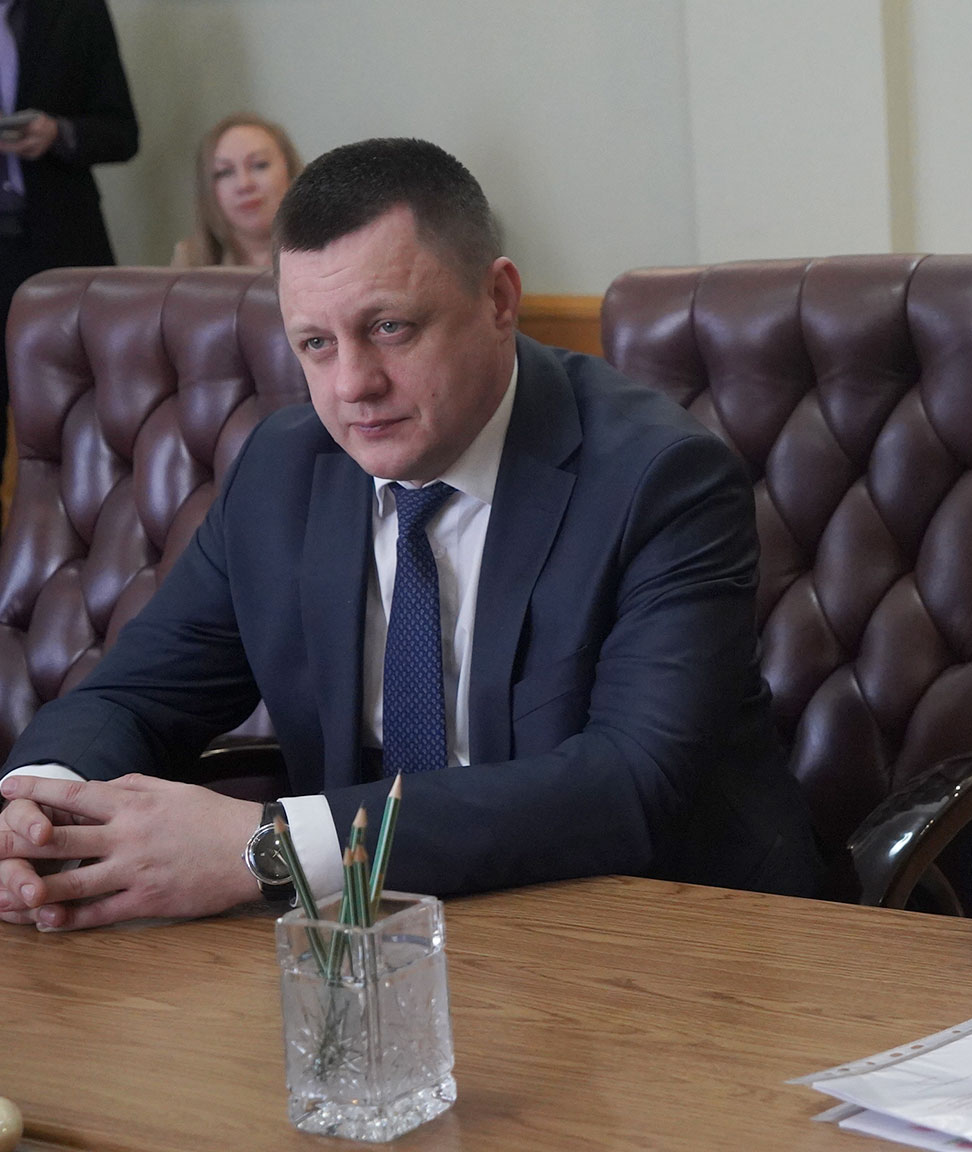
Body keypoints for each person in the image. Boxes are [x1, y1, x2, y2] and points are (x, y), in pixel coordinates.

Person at [0, 137, 819, 930]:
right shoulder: (283, 471)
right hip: (366, 940)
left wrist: (270, 846)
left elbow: (630, 786)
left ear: (498, 300)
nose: (353, 384)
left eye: (390, 327)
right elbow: (136, 695)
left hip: (662, 930)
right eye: (315, 344)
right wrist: (41, 807)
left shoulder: (660, 479)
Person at [0, 0, 138, 469]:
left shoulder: (78, 9)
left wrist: (57, 133)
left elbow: (123, 132)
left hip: (62, 247)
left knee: (87, 428)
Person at [172, 113, 301, 269]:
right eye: (225, 172)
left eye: (259, 165)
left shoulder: (326, 253)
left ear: (290, 172)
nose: (244, 184)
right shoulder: (190, 261)